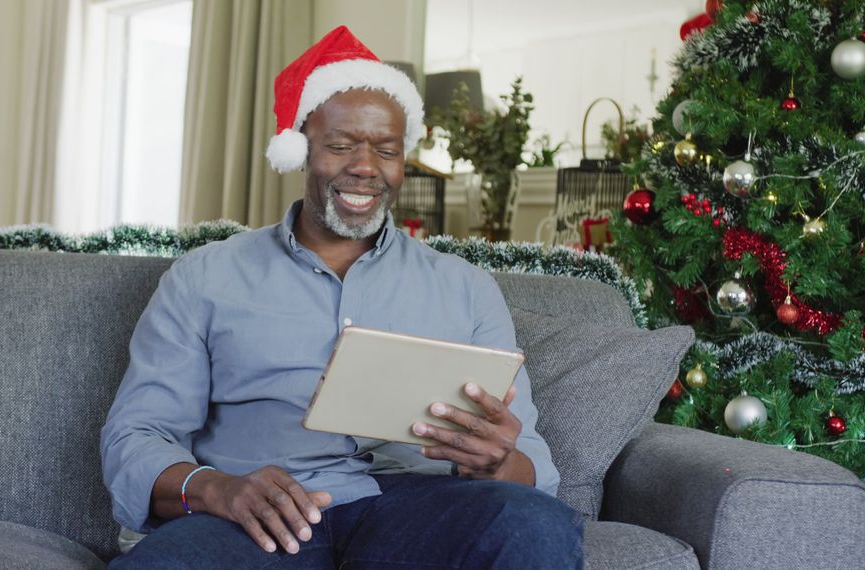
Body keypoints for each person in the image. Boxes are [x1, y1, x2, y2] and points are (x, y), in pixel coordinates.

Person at [101, 25, 583, 569]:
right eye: (340, 145)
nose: (365, 167)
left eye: (386, 150)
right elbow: (137, 435)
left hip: (420, 510)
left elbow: (533, 471)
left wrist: (494, 463)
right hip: (262, 516)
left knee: (533, 526)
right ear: (301, 150)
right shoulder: (205, 278)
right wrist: (218, 490)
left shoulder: (466, 289)